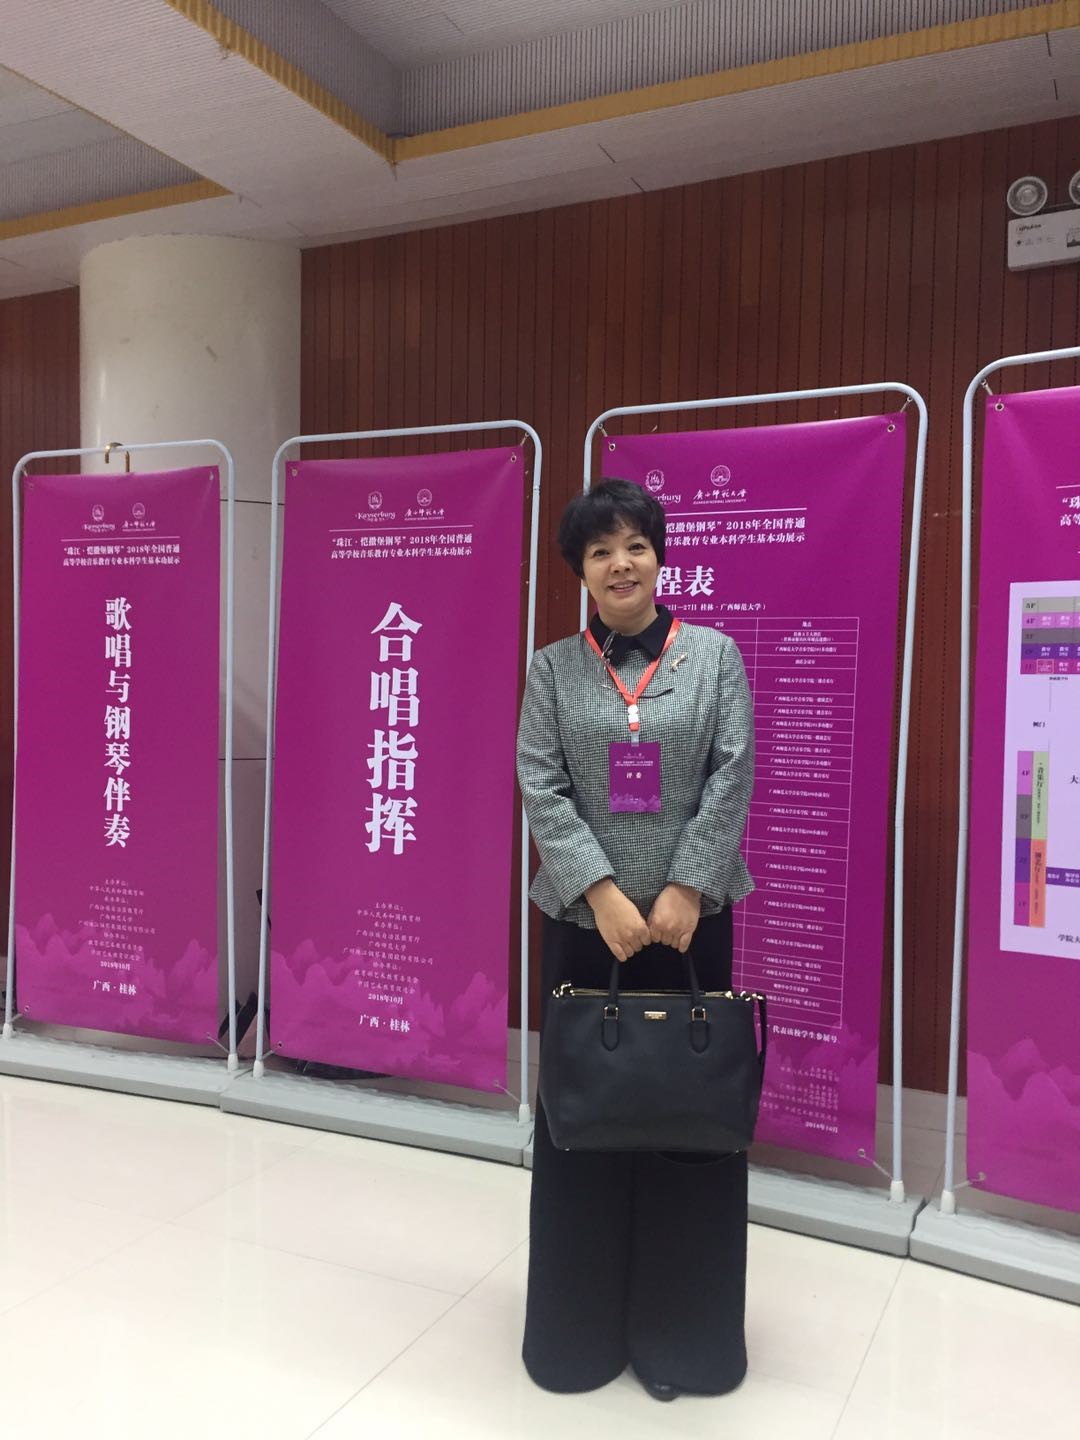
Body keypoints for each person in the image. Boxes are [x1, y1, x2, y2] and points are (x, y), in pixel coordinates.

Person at [516, 477, 755, 1401]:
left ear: (659, 556)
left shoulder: (716, 656)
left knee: (689, 1126)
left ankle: (685, 1341)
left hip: (695, 924)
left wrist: (688, 883)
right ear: (579, 571)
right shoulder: (551, 669)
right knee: (584, 1121)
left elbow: (733, 773)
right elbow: (541, 784)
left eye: (636, 546)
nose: (621, 564)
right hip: (589, 928)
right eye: (600, 551)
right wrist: (602, 892)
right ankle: (574, 1337)